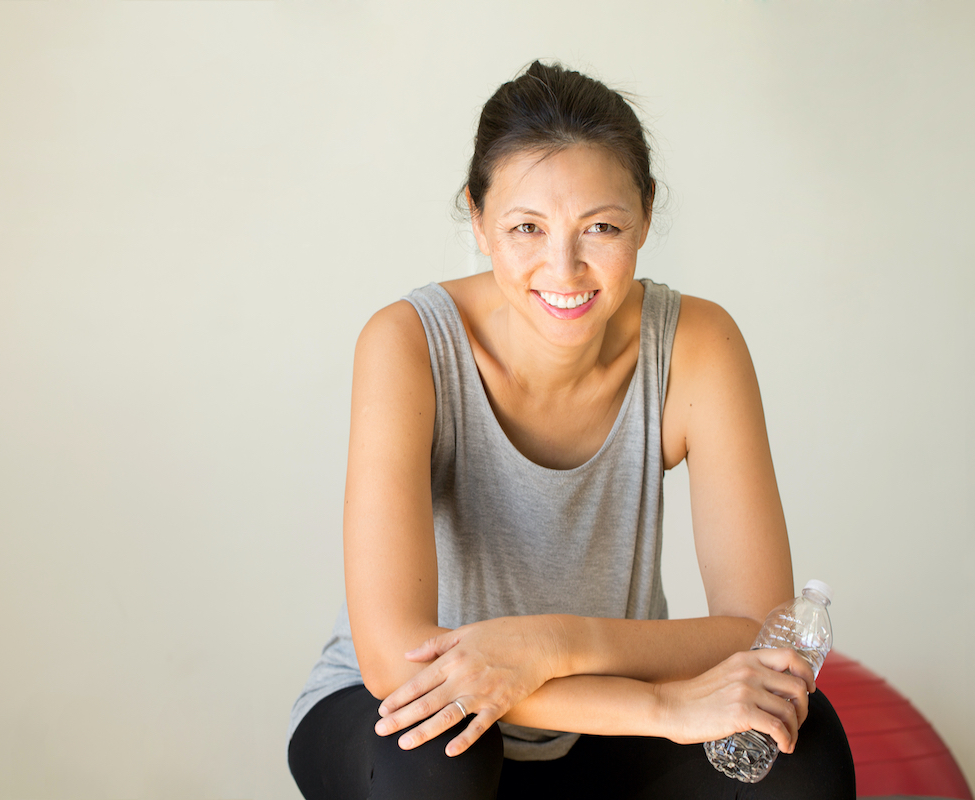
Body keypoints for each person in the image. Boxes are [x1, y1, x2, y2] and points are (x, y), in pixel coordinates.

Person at [287, 60, 855, 799]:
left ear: (646, 217)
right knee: (433, 767)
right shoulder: (407, 343)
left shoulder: (696, 345)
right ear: (479, 218)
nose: (566, 268)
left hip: (598, 711)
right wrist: (661, 705)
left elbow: (754, 627)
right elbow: (398, 663)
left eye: (603, 228)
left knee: (798, 752)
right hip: (415, 714)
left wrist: (548, 644)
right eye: (527, 227)